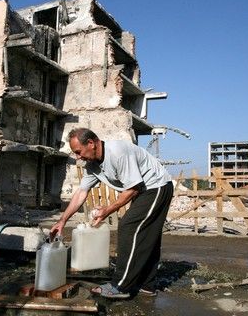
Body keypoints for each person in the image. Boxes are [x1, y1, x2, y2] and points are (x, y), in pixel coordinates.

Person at [50, 128, 173, 299]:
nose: (78, 157)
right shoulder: (92, 165)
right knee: (147, 235)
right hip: (144, 190)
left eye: (78, 152)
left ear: (91, 143)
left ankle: (120, 286)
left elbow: (132, 188)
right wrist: (62, 220)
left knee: (128, 226)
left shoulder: (118, 152)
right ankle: (147, 285)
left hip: (157, 186)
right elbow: (81, 193)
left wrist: (107, 210)